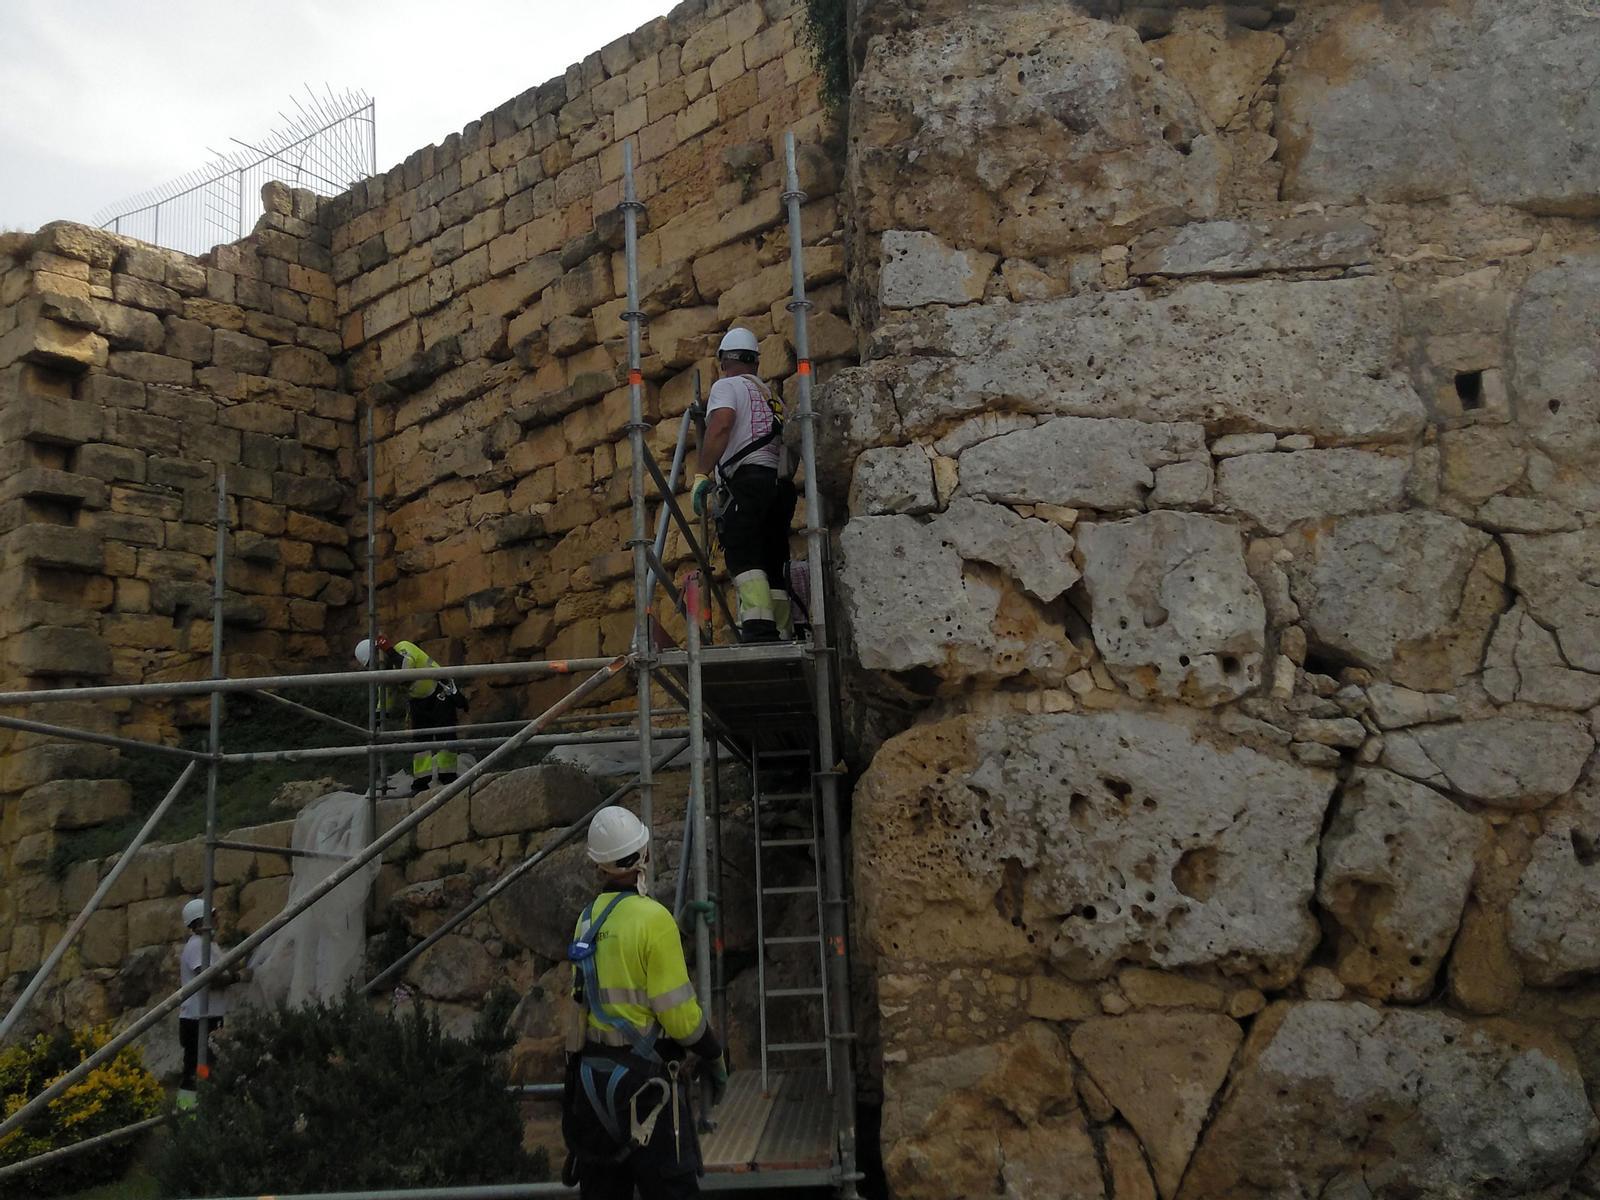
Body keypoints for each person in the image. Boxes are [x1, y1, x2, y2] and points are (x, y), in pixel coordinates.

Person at [562, 807, 728, 1199]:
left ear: (598, 864)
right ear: (645, 855)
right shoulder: (654, 920)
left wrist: (678, 932)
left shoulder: (587, 920)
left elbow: (602, 984)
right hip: (646, 1088)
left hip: (594, 1084)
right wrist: (713, 1053)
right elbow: (679, 1014)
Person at [690, 328, 799, 642]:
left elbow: (721, 424)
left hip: (748, 482)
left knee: (744, 553)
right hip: (779, 488)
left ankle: (757, 627)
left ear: (724, 360)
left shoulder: (727, 386)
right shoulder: (772, 398)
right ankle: (780, 629)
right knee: (772, 558)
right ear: (756, 362)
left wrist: (702, 473)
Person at [354, 634, 468, 793]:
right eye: (370, 666)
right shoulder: (384, 670)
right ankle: (421, 781)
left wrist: (390, 652)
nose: (373, 667)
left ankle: (447, 777)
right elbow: (387, 692)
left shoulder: (403, 647)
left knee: (445, 736)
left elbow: (406, 669)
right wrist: (380, 713)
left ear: (378, 653)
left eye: (373, 663)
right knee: (420, 742)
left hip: (439, 692)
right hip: (418, 701)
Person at [176, 898, 246, 1109]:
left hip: (209, 1014)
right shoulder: (197, 946)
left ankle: (202, 1110)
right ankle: (188, 1112)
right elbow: (209, 979)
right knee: (197, 1067)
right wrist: (238, 978)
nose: (218, 919)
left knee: (207, 1065)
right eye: (214, 915)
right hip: (197, 1018)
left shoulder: (209, 945)